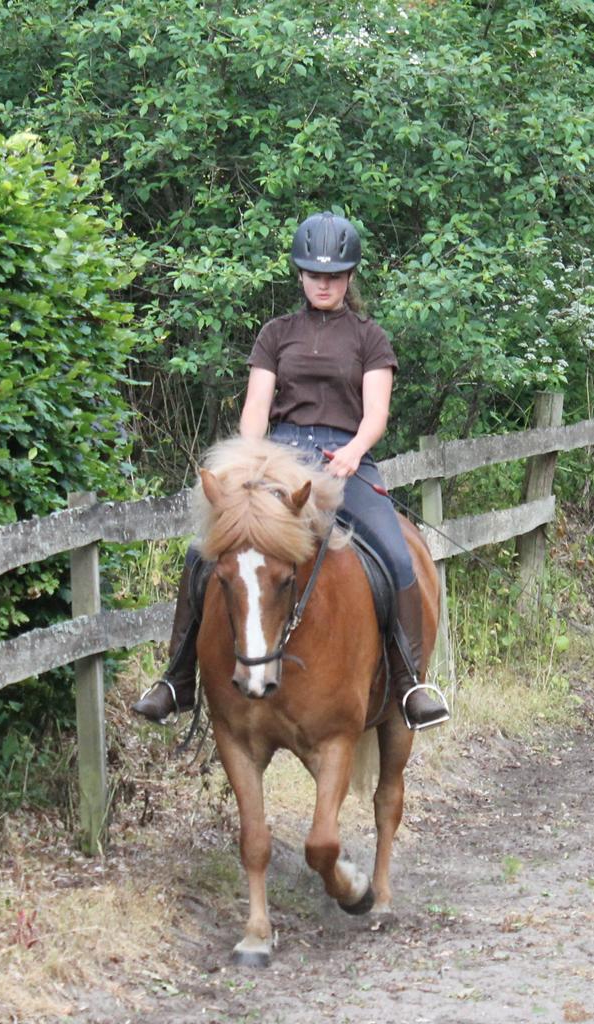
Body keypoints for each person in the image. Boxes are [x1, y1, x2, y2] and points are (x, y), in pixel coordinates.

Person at [132, 211, 450, 730]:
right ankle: (176, 680)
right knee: (202, 555)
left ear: (349, 278)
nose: (323, 284)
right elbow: (256, 409)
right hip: (280, 463)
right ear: (300, 275)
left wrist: (353, 451)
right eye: (313, 274)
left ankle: (410, 683)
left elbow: (376, 415)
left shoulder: (371, 338)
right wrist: (249, 464)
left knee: (395, 556)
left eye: (333, 276)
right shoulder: (275, 334)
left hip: (347, 463)